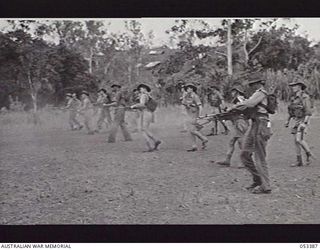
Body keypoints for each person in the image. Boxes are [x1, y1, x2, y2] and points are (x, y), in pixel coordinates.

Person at [229, 78, 272, 194]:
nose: (252, 86)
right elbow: (248, 108)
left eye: (254, 83)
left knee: (259, 156)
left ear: (259, 83)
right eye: (252, 84)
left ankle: (265, 185)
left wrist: (238, 105)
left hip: (262, 124)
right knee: (244, 154)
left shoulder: (261, 93)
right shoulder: (255, 94)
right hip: (254, 123)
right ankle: (258, 180)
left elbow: (250, 103)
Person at [216, 85, 249, 167]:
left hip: (240, 122)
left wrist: (230, 110)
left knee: (241, 142)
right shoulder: (236, 99)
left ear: (237, 92)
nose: (232, 93)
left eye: (234, 91)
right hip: (237, 121)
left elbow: (242, 108)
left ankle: (244, 162)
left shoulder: (240, 99)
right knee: (232, 141)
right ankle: (227, 159)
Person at [287, 81, 314, 167]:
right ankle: (299, 161)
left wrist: (305, 123)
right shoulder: (293, 98)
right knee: (296, 141)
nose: (293, 87)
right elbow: (291, 111)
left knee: (299, 139)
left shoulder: (305, 97)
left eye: (295, 86)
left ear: (300, 87)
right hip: (296, 120)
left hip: (303, 119)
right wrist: (288, 121)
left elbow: (308, 111)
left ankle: (309, 154)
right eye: (292, 86)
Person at [130, 83, 161, 152]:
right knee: (145, 129)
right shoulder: (148, 95)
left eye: (140, 89)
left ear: (144, 89)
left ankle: (150, 144)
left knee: (142, 129)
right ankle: (155, 141)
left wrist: (134, 106)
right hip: (149, 113)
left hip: (145, 113)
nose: (140, 90)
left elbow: (142, 105)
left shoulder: (143, 95)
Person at [182, 83, 208, 152]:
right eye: (187, 88)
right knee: (191, 131)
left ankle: (203, 139)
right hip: (189, 114)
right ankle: (194, 146)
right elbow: (184, 104)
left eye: (190, 88)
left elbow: (200, 106)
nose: (188, 89)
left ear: (193, 89)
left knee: (192, 130)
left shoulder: (195, 96)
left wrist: (199, 116)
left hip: (194, 114)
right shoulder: (186, 96)